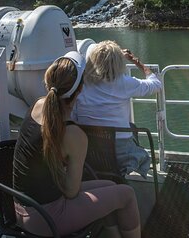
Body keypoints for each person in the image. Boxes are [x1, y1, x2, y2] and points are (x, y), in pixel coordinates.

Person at [13, 51, 141, 238]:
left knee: (110, 184)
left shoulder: (37, 106)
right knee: (127, 194)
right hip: (46, 218)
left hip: (22, 207)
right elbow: (71, 191)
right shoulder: (74, 135)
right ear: (80, 90)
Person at [72, 40, 162, 177]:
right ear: (119, 63)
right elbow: (156, 84)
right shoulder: (124, 83)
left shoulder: (80, 85)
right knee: (133, 130)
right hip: (119, 153)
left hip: (89, 151)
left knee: (131, 127)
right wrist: (137, 62)